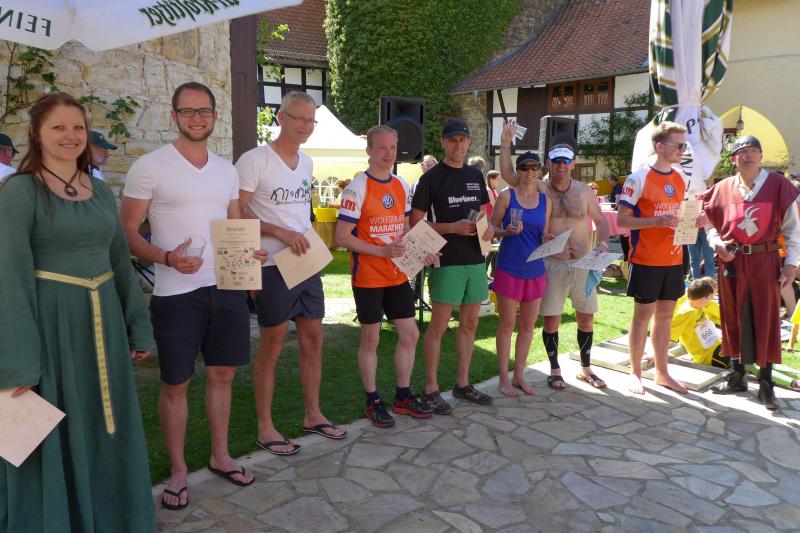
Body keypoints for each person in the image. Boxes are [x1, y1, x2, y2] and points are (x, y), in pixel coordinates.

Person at [0, 92, 155, 530]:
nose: (70, 136)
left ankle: (112, 517)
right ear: (36, 134)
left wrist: (138, 325)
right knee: (53, 430)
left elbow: (119, 262)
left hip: (103, 324)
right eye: (58, 127)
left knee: (106, 424)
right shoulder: (20, 192)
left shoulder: (100, 191)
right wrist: (18, 362)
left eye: (78, 127)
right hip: (52, 327)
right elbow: (9, 276)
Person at [122, 82, 262, 510]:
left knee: (222, 375)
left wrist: (249, 254)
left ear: (215, 116)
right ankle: (179, 471)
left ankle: (221, 456)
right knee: (176, 384)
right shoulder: (149, 167)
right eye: (188, 111)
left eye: (204, 111)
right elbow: (126, 231)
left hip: (226, 288)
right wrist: (165, 256)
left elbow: (234, 222)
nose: (196, 118)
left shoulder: (226, 171)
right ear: (174, 115)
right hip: (176, 293)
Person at [236, 91, 347, 454]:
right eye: (299, 118)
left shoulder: (307, 163)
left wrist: (306, 238)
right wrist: (277, 233)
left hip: (306, 263)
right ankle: (265, 427)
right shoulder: (255, 160)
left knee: (314, 340)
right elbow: (235, 211)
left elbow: (300, 214)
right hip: (271, 265)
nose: (306, 126)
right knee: (272, 345)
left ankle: (313, 414)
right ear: (281, 118)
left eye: (311, 120)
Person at [335, 125, 435, 427]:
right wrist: (381, 252)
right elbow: (342, 236)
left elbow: (404, 228)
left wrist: (421, 250)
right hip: (368, 275)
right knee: (371, 338)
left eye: (392, 147)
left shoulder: (401, 185)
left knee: (410, 333)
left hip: (396, 274)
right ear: (369, 150)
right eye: (381, 147)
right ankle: (373, 400)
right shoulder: (357, 187)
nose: (388, 153)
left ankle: (403, 396)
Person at [499, 122, 610, 391]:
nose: (561, 165)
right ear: (549, 163)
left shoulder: (584, 191)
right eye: (556, 160)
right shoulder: (540, 187)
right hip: (553, 262)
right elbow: (508, 174)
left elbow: (601, 220)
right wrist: (505, 142)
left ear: (573, 163)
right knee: (552, 318)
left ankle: (586, 368)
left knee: (586, 317)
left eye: (566, 161)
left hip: (582, 262)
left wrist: (604, 242)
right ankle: (554, 370)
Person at [702, 135, 800, 410]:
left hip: (765, 260)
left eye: (753, 151)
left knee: (765, 318)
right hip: (732, 261)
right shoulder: (721, 189)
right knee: (732, 316)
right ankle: (737, 377)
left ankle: (766, 384)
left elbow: (793, 229)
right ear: (733, 158)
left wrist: (791, 264)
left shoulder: (778, 185)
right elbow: (709, 224)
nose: (747, 156)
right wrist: (716, 242)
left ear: (761, 155)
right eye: (742, 152)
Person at [410, 118, 495, 413]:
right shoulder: (431, 178)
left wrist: (487, 227)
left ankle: (462, 384)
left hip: (475, 259)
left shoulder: (475, 175)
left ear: (468, 142)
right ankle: (431, 388)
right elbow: (415, 222)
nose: (458, 145)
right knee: (439, 327)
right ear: (444, 142)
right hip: (445, 260)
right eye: (453, 140)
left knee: (470, 324)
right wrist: (451, 228)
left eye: (463, 140)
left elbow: (482, 214)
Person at [618, 121, 703, 395]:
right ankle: (635, 373)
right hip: (646, 259)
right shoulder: (638, 178)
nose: (682, 150)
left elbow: (680, 216)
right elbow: (622, 220)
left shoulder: (680, 177)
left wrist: (694, 221)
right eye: (678, 145)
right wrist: (655, 221)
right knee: (642, 317)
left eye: (684, 145)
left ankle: (662, 373)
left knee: (665, 317)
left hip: (674, 258)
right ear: (660, 146)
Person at [490, 151, 551, 396]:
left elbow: (544, 232)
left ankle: (519, 376)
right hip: (510, 268)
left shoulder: (545, 200)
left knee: (527, 327)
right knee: (507, 325)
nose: (529, 172)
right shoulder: (507, 196)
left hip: (535, 270)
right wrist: (506, 232)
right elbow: (491, 229)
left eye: (534, 168)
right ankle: (503, 379)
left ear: (539, 171)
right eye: (525, 168)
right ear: (518, 171)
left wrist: (548, 238)